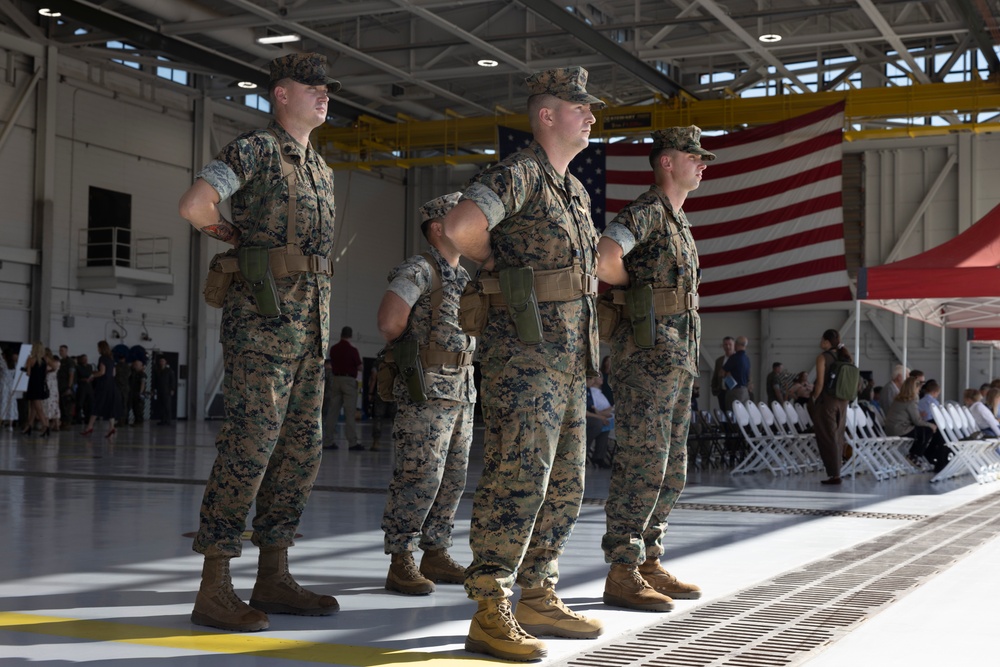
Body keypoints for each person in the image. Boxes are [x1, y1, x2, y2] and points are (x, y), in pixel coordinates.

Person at [442, 66, 605, 661]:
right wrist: (498, 265)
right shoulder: (518, 174)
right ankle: (490, 608)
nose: (590, 115)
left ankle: (538, 592)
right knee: (518, 479)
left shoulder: (575, 191)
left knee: (565, 485)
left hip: (566, 362)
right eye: (579, 106)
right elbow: (460, 229)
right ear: (546, 115)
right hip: (525, 358)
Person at [177, 52, 340, 631]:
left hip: (309, 329)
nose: (323, 95)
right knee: (250, 445)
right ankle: (214, 585)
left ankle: (273, 575)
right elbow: (196, 206)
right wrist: (235, 236)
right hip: (262, 324)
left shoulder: (319, 168)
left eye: (327, 88)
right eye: (311, 87)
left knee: (300, 452)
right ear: (280, 94)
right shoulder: (254, 150)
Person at [596, 125, 710, 613]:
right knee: (643, 461)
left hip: (676, 359)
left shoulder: (678, 222)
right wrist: (634, 292)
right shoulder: (646, 212)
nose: (703, 164)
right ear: (667, 161)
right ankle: (622, 568)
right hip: (646, 359)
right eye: (694, 155)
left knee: (671, 466)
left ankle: (647, 559)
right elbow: (604, 258)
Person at [376, 192, 476, 596]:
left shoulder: (464, 276)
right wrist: (420, 353)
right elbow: (388, 321)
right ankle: (401, 559)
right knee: (420, 475)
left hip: (462, 391)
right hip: (428, 391)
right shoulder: (420, 268)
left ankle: (435, 552)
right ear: (438, 227)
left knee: (452, 477)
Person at [808, 329, 852, 485]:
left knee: (827, 437)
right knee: (838, 436)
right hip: (843, 401)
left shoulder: (822, 357)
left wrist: (813, 396)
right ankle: (837, 472)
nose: (820, 343)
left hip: (828, 402)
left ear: (826, 341)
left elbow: (819, 383)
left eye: (822, 340)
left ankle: (834, 474)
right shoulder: (845, 357)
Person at [884, 376, 941, 469]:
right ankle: (914, 455)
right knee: (928, 430)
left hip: (892, 429)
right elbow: (917, 421)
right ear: (914, 388)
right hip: (901, 430)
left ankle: (917, 455)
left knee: (924, 430)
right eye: (918, 388)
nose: (919, 391)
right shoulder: (911, 400)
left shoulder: (899, 398)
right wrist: (931, 425)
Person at [325, 326, 362, 450]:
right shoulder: (353, 350)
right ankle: (352, 442)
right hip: (348, 381)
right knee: (349, 413)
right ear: (350, 336)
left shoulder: (334, 349)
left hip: (336, 380)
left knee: (332, 412)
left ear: (341, 334)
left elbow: (330, 363)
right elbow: (360, 367)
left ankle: (328, 441)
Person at [81, 340, 119, 438]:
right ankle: (111, 427)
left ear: (101, 348)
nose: (97, 349)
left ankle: (89, 426)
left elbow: (102, 372)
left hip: (103, 385)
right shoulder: (111, 359)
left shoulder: (102, 358)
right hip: (111, 385)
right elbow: (114, 373)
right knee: (110, 405)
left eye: (98, 347)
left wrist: (92, 375)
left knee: (97, 404)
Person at [22, 341, 54, 436]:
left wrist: (26, 368)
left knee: (38, 407)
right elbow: (55, 367)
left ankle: (45, 425)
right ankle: (29, 426)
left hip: (33, 385)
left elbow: (28, 373)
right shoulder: (45, 359)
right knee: (33, 407)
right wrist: (46, 372)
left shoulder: (30, 359)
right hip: (40, 384)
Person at [585, 374, 614, 469]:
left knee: (606, 424)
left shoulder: (588, 390)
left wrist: (601, 416)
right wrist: (600, 417)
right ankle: (584, 451)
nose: (593, 381)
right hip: (584, 417)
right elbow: (584, 411)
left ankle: (599, 457)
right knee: (597, 424)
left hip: (591, 415)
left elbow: (593, 408)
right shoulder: (584, 390)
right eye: (592, 379)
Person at [723, 336, 750, 410]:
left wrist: (727, 375)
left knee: (732, 414)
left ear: (736, 344)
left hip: (734, 391)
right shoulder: (746, 359)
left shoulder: (734, 358)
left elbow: (722, 372)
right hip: (744, 390)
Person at [712, 337, 734, 411]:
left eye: (730, 344)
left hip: (734, 392)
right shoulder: (719, 360)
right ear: (723, 346)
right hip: (722, 392)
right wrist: (714, 389)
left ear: (734, 345)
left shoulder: (738, 359)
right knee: (723, 414)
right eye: (725, 344)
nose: (728, 347)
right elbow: (715, 375)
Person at [152, 356, 176, 425]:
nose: (161, 362)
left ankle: (168, 420)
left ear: (165, 362)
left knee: (167, 406)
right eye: (160, 361)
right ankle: (162, 420)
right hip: (159, 390)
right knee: (161, 406)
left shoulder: (169, 371)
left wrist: (172, 389)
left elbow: (172, 380)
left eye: (163, 361)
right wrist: (153, 389)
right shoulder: (157, 370)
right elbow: (155, 381)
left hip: (167, 391)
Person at [57, 345, 76, 430]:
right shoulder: (60, 361)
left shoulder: (70, 362)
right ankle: (63, 422)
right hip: (60, 386)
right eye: (60, 350)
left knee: (67, 406)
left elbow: (71, 375)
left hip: (66, 387)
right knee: (62, 406)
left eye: (62, 350)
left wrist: (69, 387)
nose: (60, 352)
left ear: (66, 351)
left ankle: (67, 423)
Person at [0, 349, 18, 429]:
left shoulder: (3, 363)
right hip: (11, 386)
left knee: (2, 402)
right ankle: (10, 425)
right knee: (11, 404)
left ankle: (2, 421)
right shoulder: (14, 364)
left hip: (3, 385)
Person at [43, 348, 61, 425]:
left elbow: (47, 370)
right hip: (54, 384)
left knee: (47, 402)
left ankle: (46, 422)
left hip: (48, 383)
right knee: (55, 403)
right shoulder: (57, 362)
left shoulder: (47, 362)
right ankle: (56, 423)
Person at [114, 350, 132, 425]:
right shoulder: (128, 366)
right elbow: (129, 376)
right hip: (125, 387)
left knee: (119, 404)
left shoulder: (116, 366)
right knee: (125, 404)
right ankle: (125, 420)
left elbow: (114, 376)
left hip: (118, 387)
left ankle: (121, 421)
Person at [75, 355, 93, 425]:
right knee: (80, 403)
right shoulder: (78, 367)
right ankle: (78, 419)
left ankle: (88, 419)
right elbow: (76, 378)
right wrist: (83, 379)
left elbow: (91, 374)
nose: (85, 360)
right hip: (81, 387)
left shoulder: (89, 366)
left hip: (89, 387)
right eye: (83, 359)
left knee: (89, 404)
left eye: (86, 358)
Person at [129, 358, 146, 425]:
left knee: (138, 408)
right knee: (134, 407)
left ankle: (139, 422)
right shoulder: (133, 372)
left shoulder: (142, 374)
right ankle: (136, 421)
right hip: (133, 392)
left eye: (136, 365)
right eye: (134, 364)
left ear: (140, 366)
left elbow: (143, 383)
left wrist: (141, 392)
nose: (134, 366)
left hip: (138, 393)